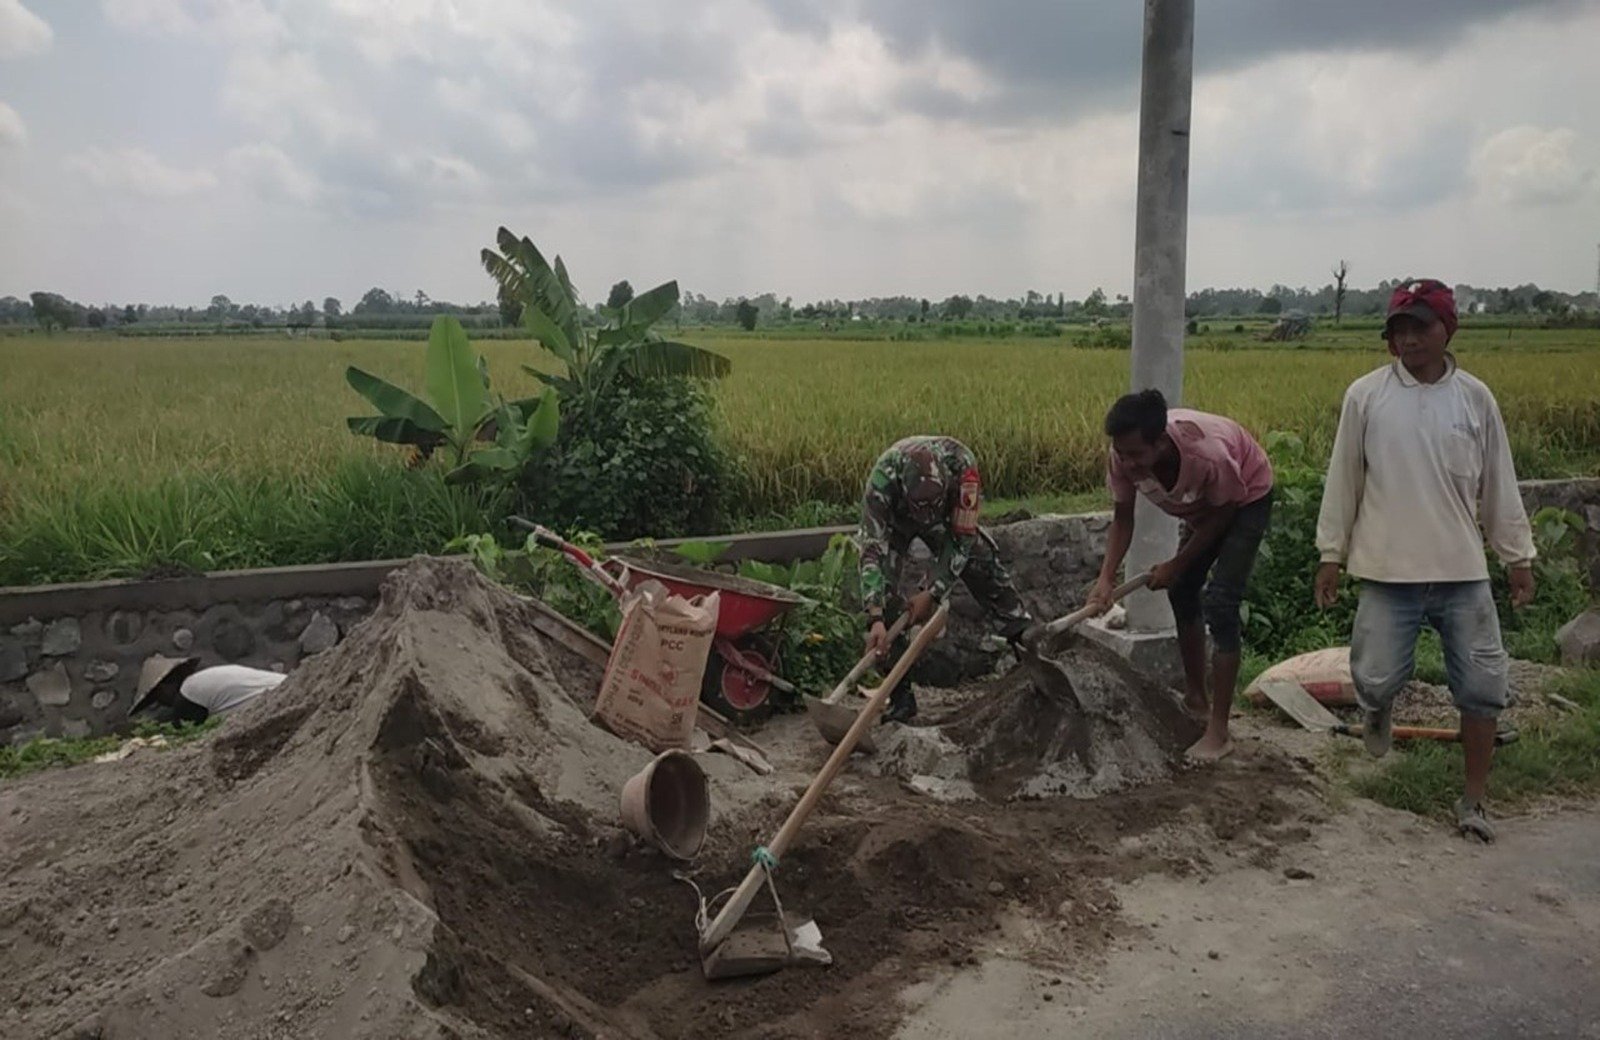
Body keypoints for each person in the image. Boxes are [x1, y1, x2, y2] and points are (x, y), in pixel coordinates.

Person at [1314, 278, 1535, 843]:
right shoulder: (1366, 396)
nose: (1409, 340)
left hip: (1462, 572)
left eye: (1421, 327)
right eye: (1399, 331)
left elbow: (1498, 485)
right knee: (1375, 676)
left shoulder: (1475, 399)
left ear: (1447, 329)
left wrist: (1518, 557)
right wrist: (1330, 554)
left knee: (1483, 687)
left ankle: (1474, 802)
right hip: (1388, 571)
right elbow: (1345, 479)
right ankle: (1378, 708)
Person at [1088, 390, 1275, 761]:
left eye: (1137, 454)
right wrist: (1106, 578)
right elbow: (1124, 516)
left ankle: (1219, 731)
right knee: (1182, 591)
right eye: (1122, 453)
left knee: (1221, 602)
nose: (1129, 462)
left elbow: (1223, 516)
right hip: (1203, 504)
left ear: (1160, 442)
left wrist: (1175, 564)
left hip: (1245, 497)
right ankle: (1195, 699)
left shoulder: (1208, 455)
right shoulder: (1122, 457)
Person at [858, 435, 1033, 723]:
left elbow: (962, 540)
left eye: (930, 506)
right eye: (921, 508)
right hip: (898, 519)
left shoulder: (964, 469)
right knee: (886, 594)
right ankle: (900, 695)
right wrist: (875, 616)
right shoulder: (882, 483)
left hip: (947, 521)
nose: (924, 517)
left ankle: (1022, 638)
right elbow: (871, 550)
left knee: (981, 562)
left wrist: (933, 591)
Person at [127, 654, 289, 726]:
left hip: (276, 702)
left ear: (165, 687)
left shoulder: (188, 693)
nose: (162, 703)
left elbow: (187, 733)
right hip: (285, 686)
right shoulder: (206, 678)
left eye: (159, 696)